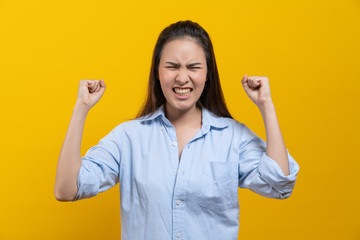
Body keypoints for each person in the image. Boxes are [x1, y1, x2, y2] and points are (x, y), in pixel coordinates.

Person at [54, 20, 300, 240]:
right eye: (172, 66)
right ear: (158, 73)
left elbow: (280, 184)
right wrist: (81, 109)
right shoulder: (128, 137)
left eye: (194, 67)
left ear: (207, 75)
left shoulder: (232, 136)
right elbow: (66, 189)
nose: (182, 78)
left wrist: (266, 106)